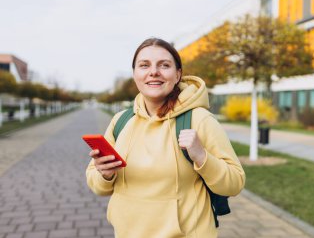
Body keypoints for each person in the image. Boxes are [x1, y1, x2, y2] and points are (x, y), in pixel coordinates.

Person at [86, 38, 245, 238]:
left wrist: (202, 157)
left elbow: (235, 183)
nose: (154, 72)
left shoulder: (199, 119)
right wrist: (105, 174)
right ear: (135, 74)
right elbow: (97, 185)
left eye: (164, 65)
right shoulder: (120, 122)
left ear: (177, 74)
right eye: (144, 65)